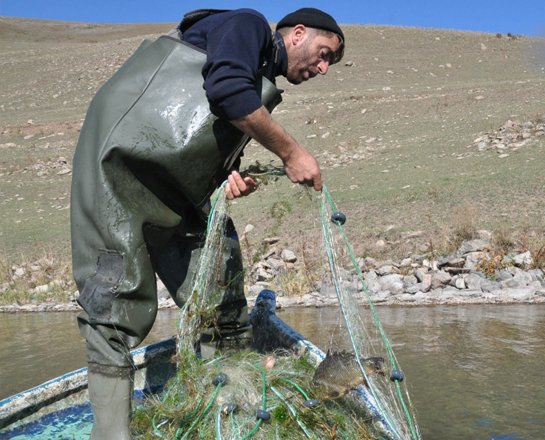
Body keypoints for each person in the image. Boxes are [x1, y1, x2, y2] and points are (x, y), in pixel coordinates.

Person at [69, 7, 344, 439]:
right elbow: (227, 91)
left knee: (223, 300)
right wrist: (291, 152)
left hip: (175, 196)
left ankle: (227, 413)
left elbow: (202, 132)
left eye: (331, 63)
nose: (324, 68)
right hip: (115, 174)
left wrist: (227, 181)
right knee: (112, 312)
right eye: (325, 53)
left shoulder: (257, 86)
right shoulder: (248, 26)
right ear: (298, 33)